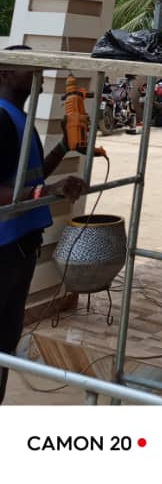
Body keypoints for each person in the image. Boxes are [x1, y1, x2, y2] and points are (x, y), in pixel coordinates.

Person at [0, 48, 87, 404]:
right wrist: (46, 191)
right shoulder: (1, 121)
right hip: (3, 249)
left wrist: (64, 147)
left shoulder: (21, 119)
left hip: (21, 247)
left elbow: (29, 177)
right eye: (30, 68)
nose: (40, 73)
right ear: (4, 74)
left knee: (6, 338)